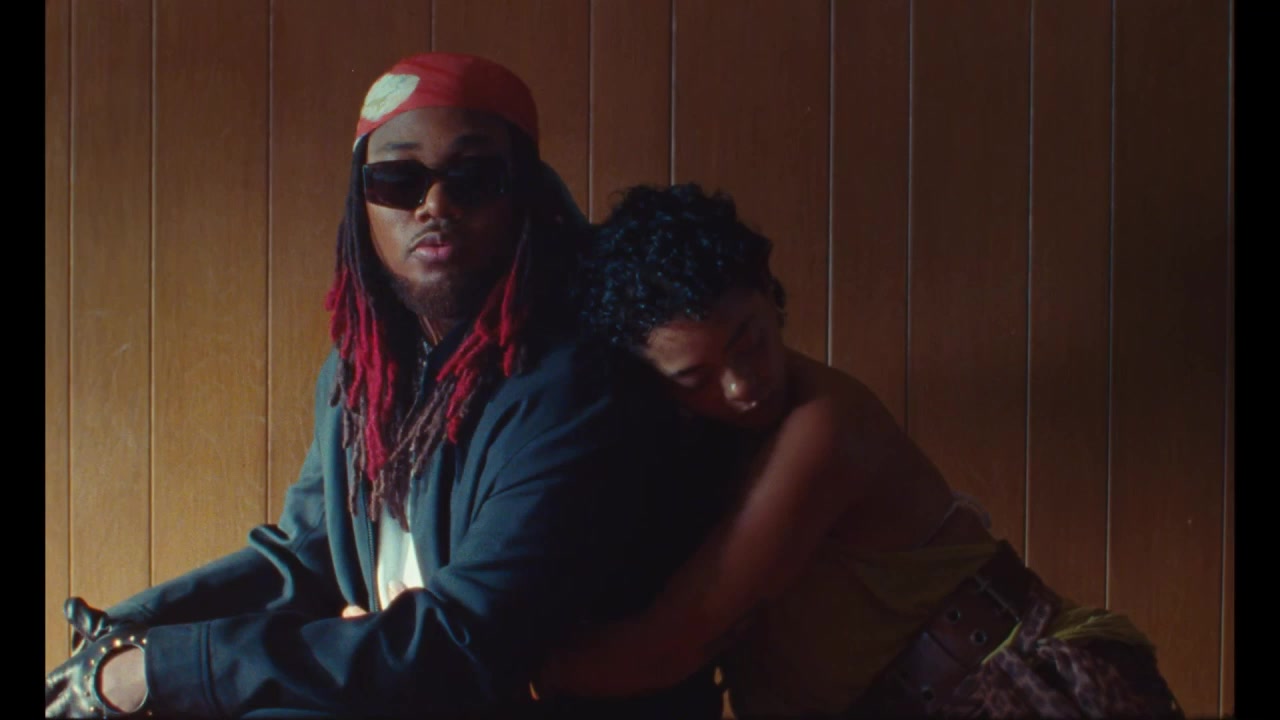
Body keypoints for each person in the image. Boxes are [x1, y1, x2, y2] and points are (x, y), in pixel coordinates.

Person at [43, 54, 726, 720]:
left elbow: (466, 642)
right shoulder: (361, 372)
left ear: (524, 192)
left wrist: (163, 669)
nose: (435, 204)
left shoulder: (576, 386)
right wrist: (136, 630)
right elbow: (307, 560)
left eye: (475, 176)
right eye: (398, 180)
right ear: (361, 203)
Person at [537, 182, 1185, 719]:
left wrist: (507, 655)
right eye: (694, 378)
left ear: (766, 286)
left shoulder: (824, 427)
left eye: (749, 343)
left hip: (1016, 693)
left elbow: (667, 647)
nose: (739, 387)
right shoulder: (693, 444)